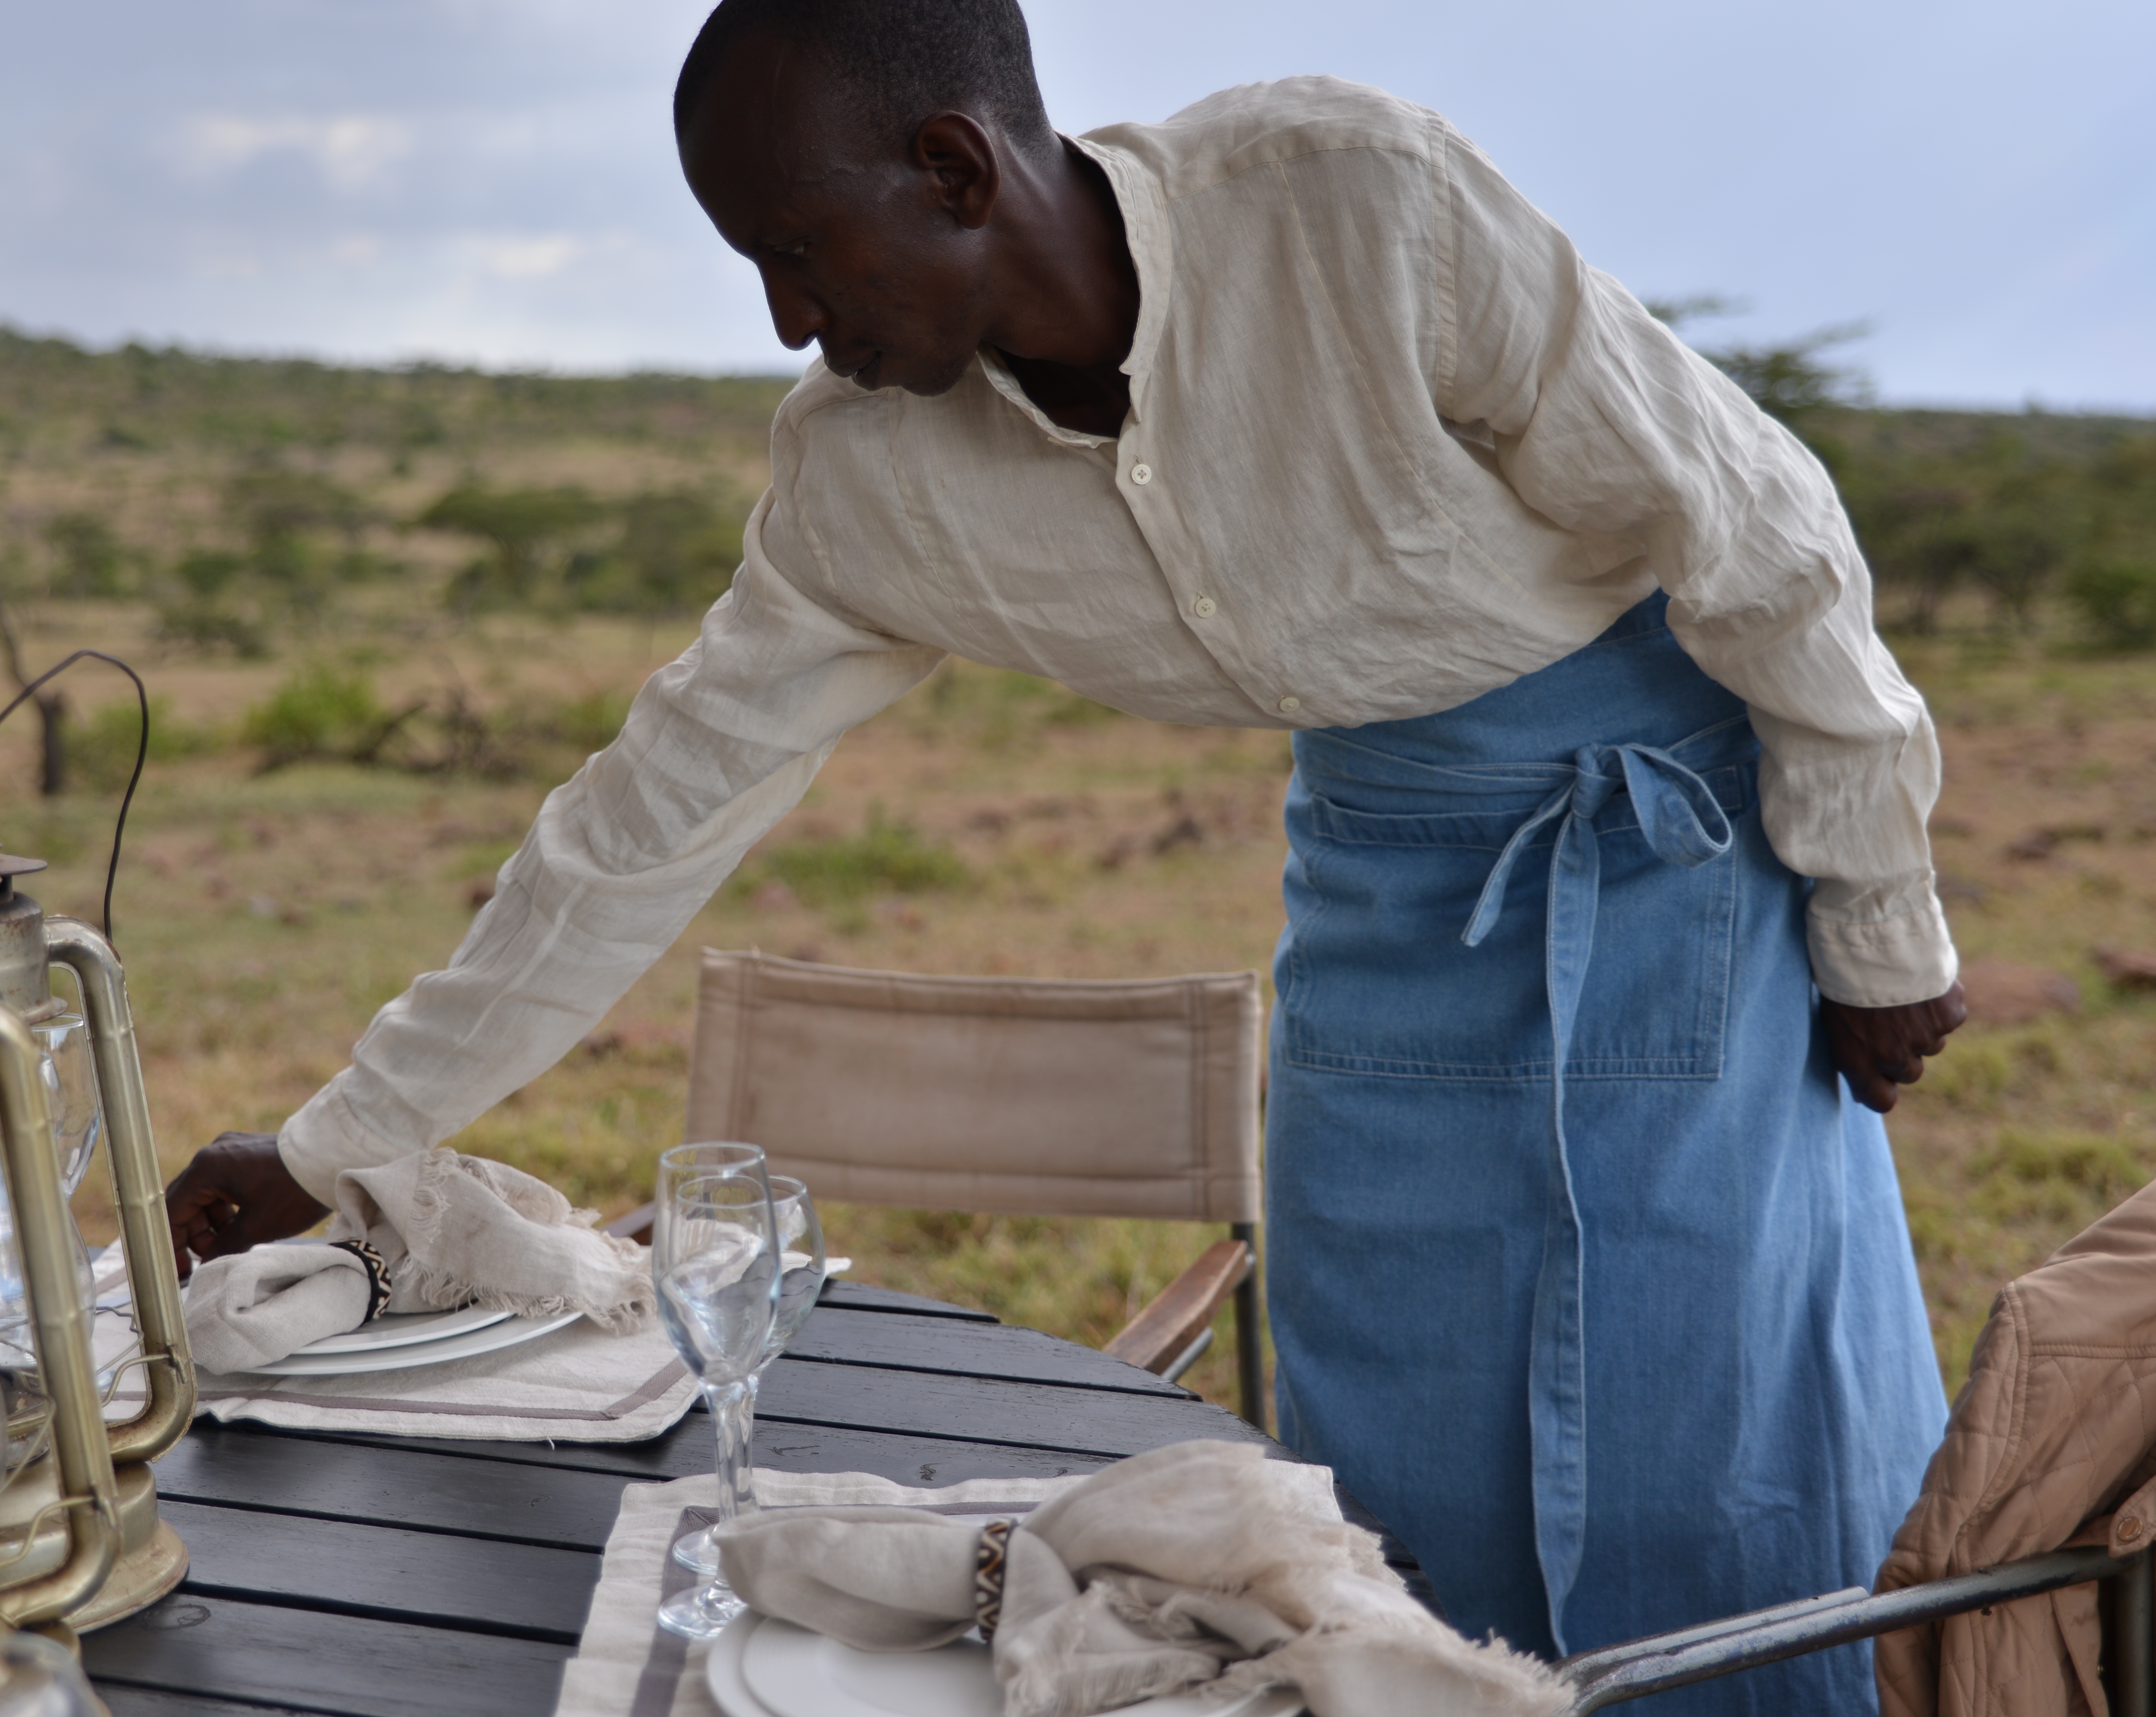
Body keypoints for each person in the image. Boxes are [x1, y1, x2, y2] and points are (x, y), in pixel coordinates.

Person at [166, 1, 1969, 1706]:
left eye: (802, 251)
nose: (791, 321)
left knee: (1719, 1428)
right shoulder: (870, 479)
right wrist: (340, 1141)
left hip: (1684, 851)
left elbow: (1761, 530)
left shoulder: (1357, 207)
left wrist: (1882, 919)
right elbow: (641, 819)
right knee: (1390, 1468)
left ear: (957, 168)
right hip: (1384, 875)